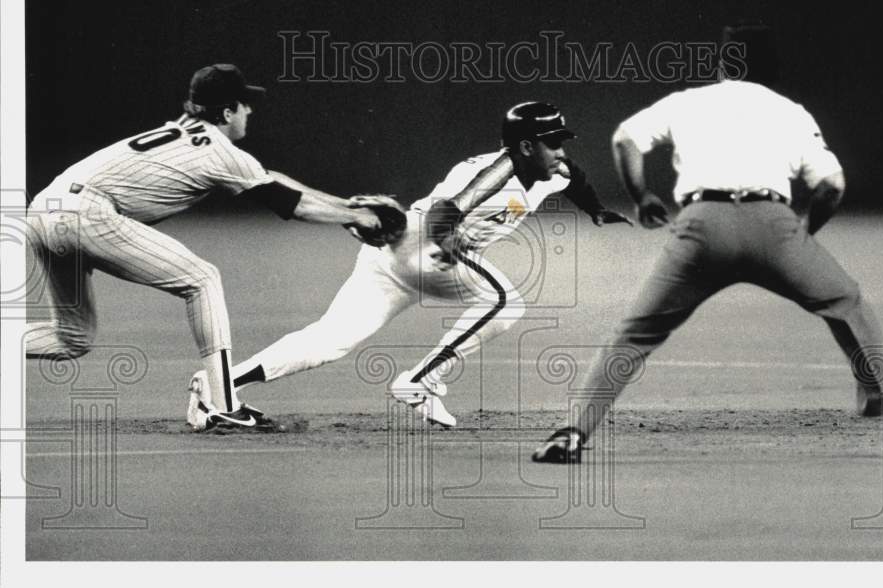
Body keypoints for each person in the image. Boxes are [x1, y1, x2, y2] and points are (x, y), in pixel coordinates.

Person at [531, 24, 883, 462]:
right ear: (770, 70)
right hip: (774, 225)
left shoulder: (688, 101)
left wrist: (641, 195)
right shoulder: (791, 112)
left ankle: (572, 434)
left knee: (633, 333)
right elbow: (831, 187)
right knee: (846, 303)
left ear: (723, 65)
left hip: (701, 228)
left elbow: (625, 139)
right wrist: (802, 234)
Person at [217, 101, 630, 427]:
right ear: (525, 147)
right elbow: (446, 210)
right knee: (505, 302)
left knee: (330, 340)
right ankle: (420, 380)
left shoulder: (553, 169)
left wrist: (595, 210)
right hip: (427, 247)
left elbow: (574, 177)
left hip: (392, 255)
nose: (561, 150)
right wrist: (446, 240)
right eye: (553, 141)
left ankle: (220, 386)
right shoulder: (496, 173)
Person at [25, 63, 383, 430]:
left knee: (71, 338)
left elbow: (270, 179)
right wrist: (359, 218)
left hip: (44, 209)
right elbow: (290, 205)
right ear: (227, 111)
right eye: (245, 104)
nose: (250, 111)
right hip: (85, 214)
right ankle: (225, 403)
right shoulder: (219, 150)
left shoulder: (185, 132)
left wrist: (348, 208)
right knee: (202, 278)